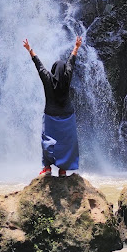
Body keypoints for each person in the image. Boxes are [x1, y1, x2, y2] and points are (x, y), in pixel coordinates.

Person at [23, 35, 83, 177]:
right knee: (68, 143)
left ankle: (47, 168)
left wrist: (30, 50)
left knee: (47, 140)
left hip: (51, 115)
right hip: (67, 116)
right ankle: (63, 170)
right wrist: (76, 47)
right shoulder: (67, 77)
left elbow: (39, 66)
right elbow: (71, 63)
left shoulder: (47, 79)